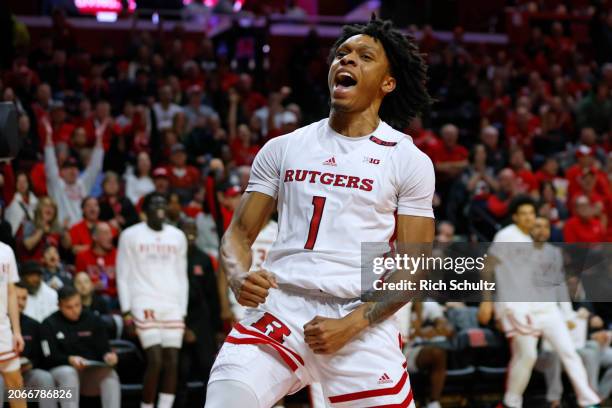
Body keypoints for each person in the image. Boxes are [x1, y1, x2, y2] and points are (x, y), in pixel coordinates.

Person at [205, 17, 434, 408]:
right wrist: (238, 275)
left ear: (387, 83)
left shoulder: (406, 158)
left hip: (358, 317)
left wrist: (352, 324)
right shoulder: (284, 146)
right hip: (282, 308)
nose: (347, 61)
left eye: (364, 57)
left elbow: (413, 265)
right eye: (342, 54)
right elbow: (239, 234)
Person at [480, 199, 600, 408]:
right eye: (525, 214)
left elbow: (558, 286)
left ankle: (588, 401)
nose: (531, 220)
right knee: (526, 355)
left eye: (533, 215)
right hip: (519, 309)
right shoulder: (507, 236)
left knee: (566, 353)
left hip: (547, 310)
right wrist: (488, 302)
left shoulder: (549, 251)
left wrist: (568, 314)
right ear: (516, 217)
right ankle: (511, 402)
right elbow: (488, 267)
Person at [117, 192, 188, 408]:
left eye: (163, 202)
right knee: (155, 360)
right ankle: (146, 405)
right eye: (155, 203)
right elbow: (122, 274)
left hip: (172, 304)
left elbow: (181, 274)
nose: (160, 206)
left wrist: (182, 309)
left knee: (173, 361)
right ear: (144, 210)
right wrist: (126, 310)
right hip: (143, 301)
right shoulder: (130, 235)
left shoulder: (178, 235)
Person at [40, 285, 120, 408]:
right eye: (69, 307)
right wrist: (69, 360)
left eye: (77, 305)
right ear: (59, 306)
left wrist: (108, 356)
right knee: (69, 373)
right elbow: (48, 357)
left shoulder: (93, 319)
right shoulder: (49, 323)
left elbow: (104, 348)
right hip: (61, 374)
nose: (75, 310)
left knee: (110, 374)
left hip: (88, 373)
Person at [175, 219, 221, 407]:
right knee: (180, 372)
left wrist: (217, 327)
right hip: (179, 317)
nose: (191, 234)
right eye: (186, 230)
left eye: (193, 230)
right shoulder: (174, 258)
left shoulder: (203, 259)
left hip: (202, 320)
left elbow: (212, 295)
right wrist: (183, 327)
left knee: (207, 369)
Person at [44, 113, 105, 227]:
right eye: (68, 168)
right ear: (61, 172)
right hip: (63, 231)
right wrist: (48, 135)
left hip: (83, 230)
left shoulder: (83, 183)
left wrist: (99, 138)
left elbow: (95, 167)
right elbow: (50, 165)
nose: (73, 171)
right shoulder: (57, 185)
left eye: (75, 168)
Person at [13, 281, 56, 408]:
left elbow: (42, 355)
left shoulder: (34, 325)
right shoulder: (2, 323)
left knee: (45, 377)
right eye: (17, 298)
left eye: (24, 298)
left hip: (26, 374)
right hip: (4, 374)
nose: (21, 303)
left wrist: (31, 364)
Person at [0, 242, 25, 408]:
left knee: (16, 387)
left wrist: (17, 331)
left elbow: (11, 292)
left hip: (2, 329)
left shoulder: (6, 250)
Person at [74, 222, 118, 304]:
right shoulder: (82, 256)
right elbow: (78, 284)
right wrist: (92, 287)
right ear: (95, 237)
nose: (110, 236)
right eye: (105, 233)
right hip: (92, 299)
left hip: (116, 299)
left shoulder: (118, 255)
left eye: (110, 233)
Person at [4, 171, 38, 236]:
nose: (22, 184)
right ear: (15, 183)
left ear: (28, 183)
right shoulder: (10, 198)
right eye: (19, 182)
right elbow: (8, 177)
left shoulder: (35, 201)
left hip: (32, 235)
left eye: (24, 181)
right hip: (15, 237)